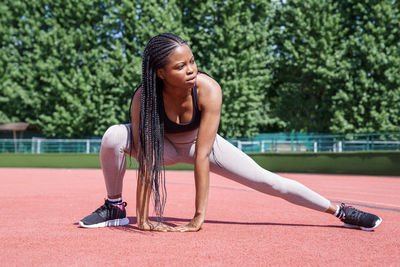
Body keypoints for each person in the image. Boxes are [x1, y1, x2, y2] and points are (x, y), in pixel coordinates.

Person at [79, 33, 382, 232]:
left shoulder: (208, 90)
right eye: (180, 65)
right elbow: (147, 159)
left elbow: (203, 155)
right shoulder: (144, 97)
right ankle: (115, 207)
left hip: (201, 146)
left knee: (269, 181)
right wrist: (143, 220)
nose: (190, 69)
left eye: (192, 61)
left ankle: (341, 211)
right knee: (113, 136)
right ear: (161, 72)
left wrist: (198, 217)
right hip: (165, 148)